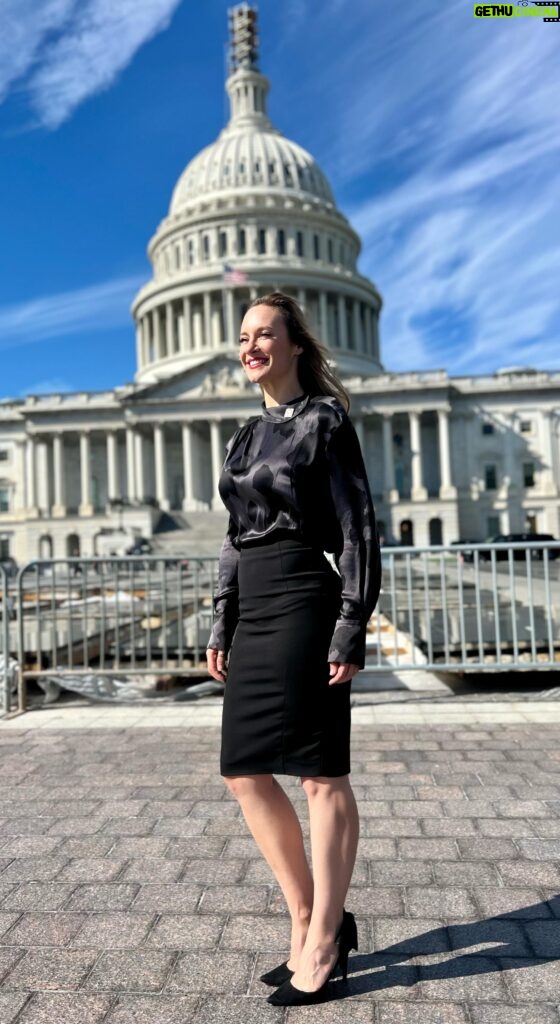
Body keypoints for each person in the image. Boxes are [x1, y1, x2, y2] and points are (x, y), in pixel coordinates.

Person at [206, 291, 381, 1006]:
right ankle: (312, 916)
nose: (251, 347)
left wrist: (351, 623)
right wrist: (222, 617)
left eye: (265, 335)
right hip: (255, 601)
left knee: (319, 774)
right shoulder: (245, 435)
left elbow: (358, 526)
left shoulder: (325, 422)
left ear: (296, 345)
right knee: (244, 770)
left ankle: (320, 944)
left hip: (307, 595)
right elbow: (233, 534)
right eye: (243, 336)